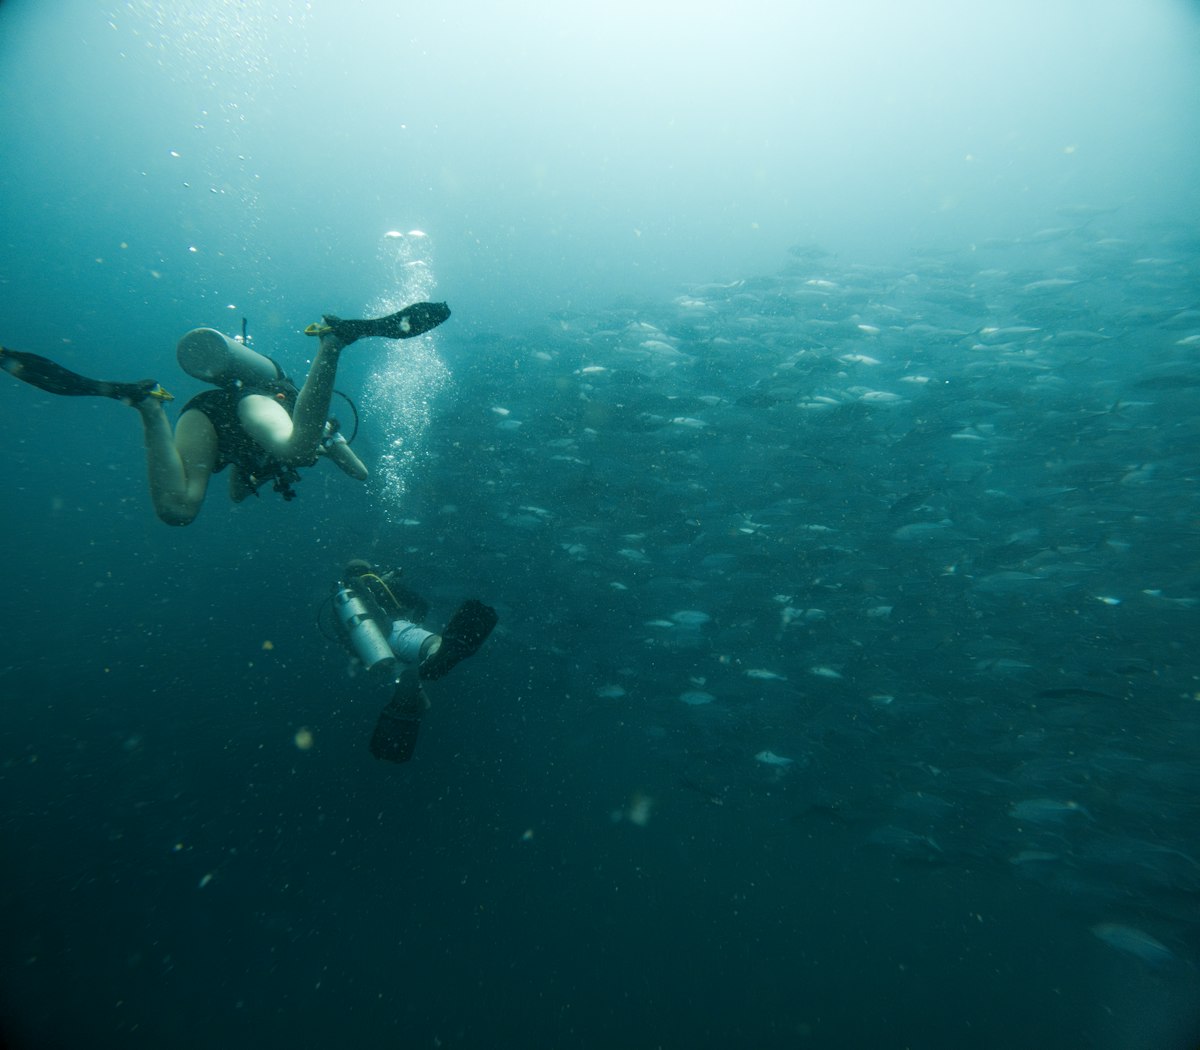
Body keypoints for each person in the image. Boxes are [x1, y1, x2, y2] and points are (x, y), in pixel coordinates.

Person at [0, 302, 451, 524]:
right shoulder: (314, 431)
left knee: (179, 511)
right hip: (258, 397)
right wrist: (328, 443)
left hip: (210, 416)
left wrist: (260, 474)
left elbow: (236, 491)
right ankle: (332, 343)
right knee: (298, 449)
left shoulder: (255, 463)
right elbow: (362, 474)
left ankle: (146, 404)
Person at [330, 560, 498, 763]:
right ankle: (435, 660)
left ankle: (393, 739)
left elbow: (344, 640)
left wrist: (368, 655)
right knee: (436, 644)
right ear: (369, 570)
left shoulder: (342, 605)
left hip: (375, 654)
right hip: (396, 631)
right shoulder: (376, 583)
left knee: (421, 704)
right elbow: (421, 603)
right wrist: (415, 624)